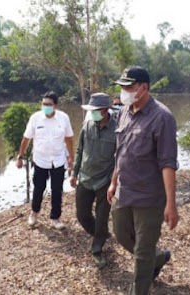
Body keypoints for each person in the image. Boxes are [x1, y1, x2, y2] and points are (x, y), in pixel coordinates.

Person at [107, 66, 179, 295]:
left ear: (143, 88)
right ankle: (158, 257)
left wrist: (171, 203)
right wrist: (113, 180)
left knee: (142, 252)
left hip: (148, 197)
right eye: (122, 87)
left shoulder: (162, 118)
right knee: (121, 234)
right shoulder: (125, 112)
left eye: (128, 87)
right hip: (124, 191)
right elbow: (121, 150)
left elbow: (167, 163)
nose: (124, 91)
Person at [70, 93, 116, 268]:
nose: (92, 113)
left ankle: (97, 248)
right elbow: (80, 150)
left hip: (104, 180)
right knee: (82, 215)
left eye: (95, 110)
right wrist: (74, 173)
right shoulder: (87, 126)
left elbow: (120, 157)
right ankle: (101, 234)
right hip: (85, 177)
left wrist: (114, 181)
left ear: (105, 110)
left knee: (102, 217)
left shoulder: (117, 129)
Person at [16, 91, 74, 230]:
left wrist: (71, 157)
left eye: (49, 104)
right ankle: (34, 213)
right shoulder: (35, 118)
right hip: (40, 160)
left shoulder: (63, 118)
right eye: (44, 104)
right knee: (39, 188)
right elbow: (26, 139)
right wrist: (20, 156)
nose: (46, 106)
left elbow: (69, 139)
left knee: (57, 190)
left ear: (56, 106)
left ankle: (55, 218)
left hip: (59, 160)